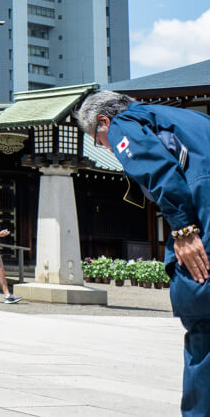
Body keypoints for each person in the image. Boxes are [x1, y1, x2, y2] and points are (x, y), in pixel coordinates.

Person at [76, 91, 210, 417]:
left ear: (104, 122)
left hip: (203, 218)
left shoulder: (125, 122)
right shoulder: (192, 118)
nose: (105, 147)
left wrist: (183, 229)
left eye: (98, 139)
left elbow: (156, 166)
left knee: (203, 328)